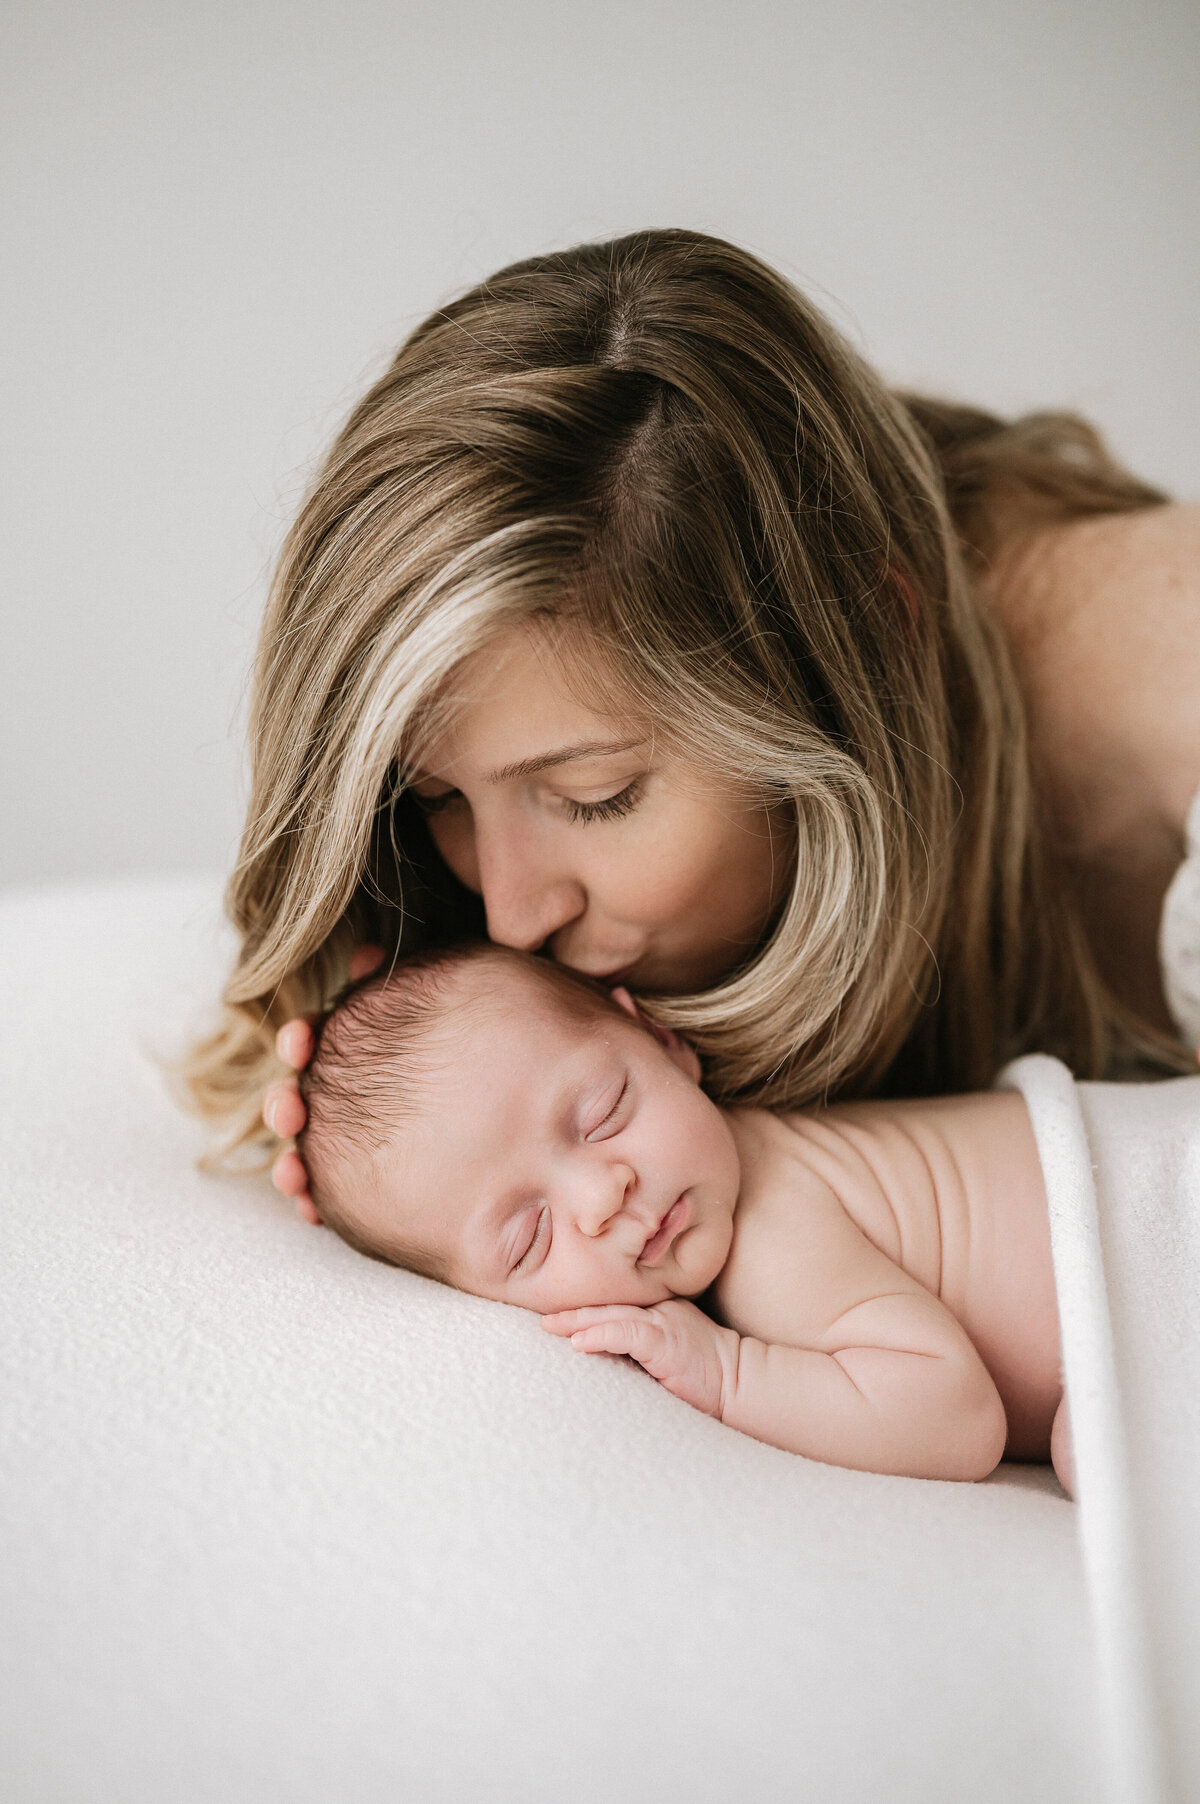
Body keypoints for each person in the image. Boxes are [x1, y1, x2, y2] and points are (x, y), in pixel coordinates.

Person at [181, 230, 1199, 1213]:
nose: (510, 915)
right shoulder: (750, 510)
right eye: (437, 797)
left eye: (595, 796)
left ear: (864, 650)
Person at [293, 939, 1069, 1490]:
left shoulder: (770, 1235)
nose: (603, 1197)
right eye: (529, 1238)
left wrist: (730, 1373)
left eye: (602, 1113)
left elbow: (958, 1422)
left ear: (663, 1043)